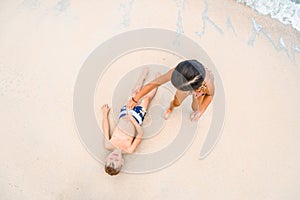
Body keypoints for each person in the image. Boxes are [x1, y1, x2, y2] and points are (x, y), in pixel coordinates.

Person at [101, 69, 158, 176]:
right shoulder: (129, 149)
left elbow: (106, 129)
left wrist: (105, 114)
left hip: (123, 115)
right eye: (116, 162)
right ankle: (156, 81)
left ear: (107, 158)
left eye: (110, 161)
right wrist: (132, 118)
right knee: (146, 99)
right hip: (136, 118)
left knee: (135, 93)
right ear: (122, 162)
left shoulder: (108, 145)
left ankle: (143, 76)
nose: (114, 158)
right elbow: (140, 134)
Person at [127, 60, 215, 121]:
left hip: (201, 89)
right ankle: (170, 108)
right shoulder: (177, 72)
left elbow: (210, 95)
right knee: (176, 102)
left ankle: (196, 98)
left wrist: (200, 112)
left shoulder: (208, 84)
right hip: (191, 83)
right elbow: (155, 83)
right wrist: (136, 98)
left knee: (195, 108)